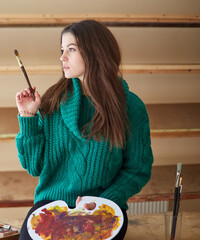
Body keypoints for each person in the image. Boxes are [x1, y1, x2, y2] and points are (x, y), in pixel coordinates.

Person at [15, 19, 153, 240]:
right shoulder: (53, 100)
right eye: (62, 50)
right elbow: (34, 166)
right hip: (51, 208)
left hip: (104, 207)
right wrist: (28, 115)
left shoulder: (131, 107)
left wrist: (103, 201)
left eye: (71, 49)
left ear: (95, 52)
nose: (62, 57)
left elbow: (137, 169)